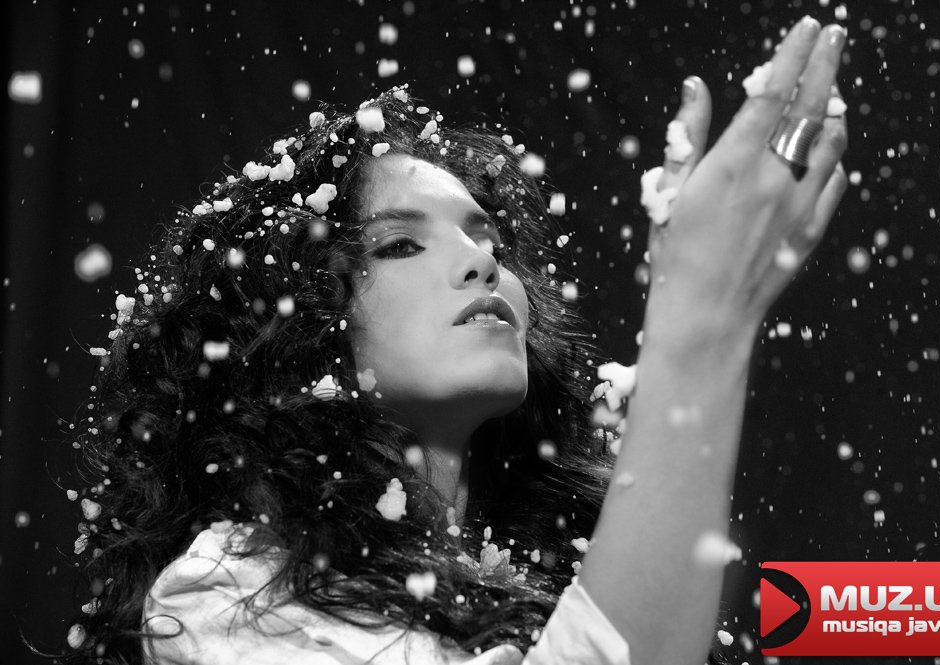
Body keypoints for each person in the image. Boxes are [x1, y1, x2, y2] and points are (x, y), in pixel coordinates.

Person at [62, 15, 847, 665]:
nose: (482, 262)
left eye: (490, 241)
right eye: (400, 244)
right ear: (298, 328)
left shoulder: (571, 558)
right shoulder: (227, 593)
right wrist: (701, 322)